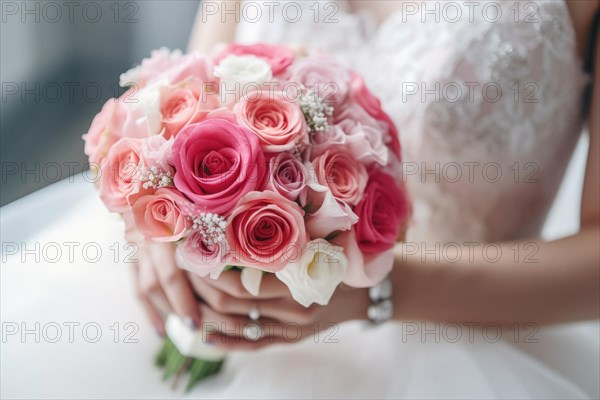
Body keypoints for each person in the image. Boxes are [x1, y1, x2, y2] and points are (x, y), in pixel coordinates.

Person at [133, 1, 599, 397]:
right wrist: (157, 228)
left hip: (466, 354)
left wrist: (376, 290)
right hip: (238, 348)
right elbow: (184, 100)